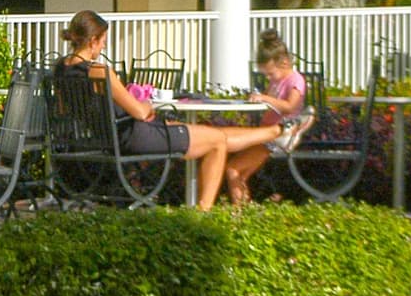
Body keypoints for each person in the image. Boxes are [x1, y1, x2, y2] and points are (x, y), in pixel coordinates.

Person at [55, 11, 303, 210]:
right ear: (93, 40)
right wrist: (147, 104)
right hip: (132, 135)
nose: (103, 47)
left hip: (111, 137)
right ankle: (203, 215)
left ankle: (278, 131)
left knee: (206, 132)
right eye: (103, 42)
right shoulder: (99, 71)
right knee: (216, 141)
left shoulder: (60, 69)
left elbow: (64, 109)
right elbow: (139, 112)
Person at [222, 31, 317, 205]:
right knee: (240, 173)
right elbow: (270, 101)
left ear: (285, 62)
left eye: (271, 74)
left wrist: (265, 98)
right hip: (265, 133)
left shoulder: (295, 80)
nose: (268, 78)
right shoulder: (277, 80)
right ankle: (242, 209)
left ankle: (238, 212)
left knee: (233, 169)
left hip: (274, 136)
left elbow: (290, 106)